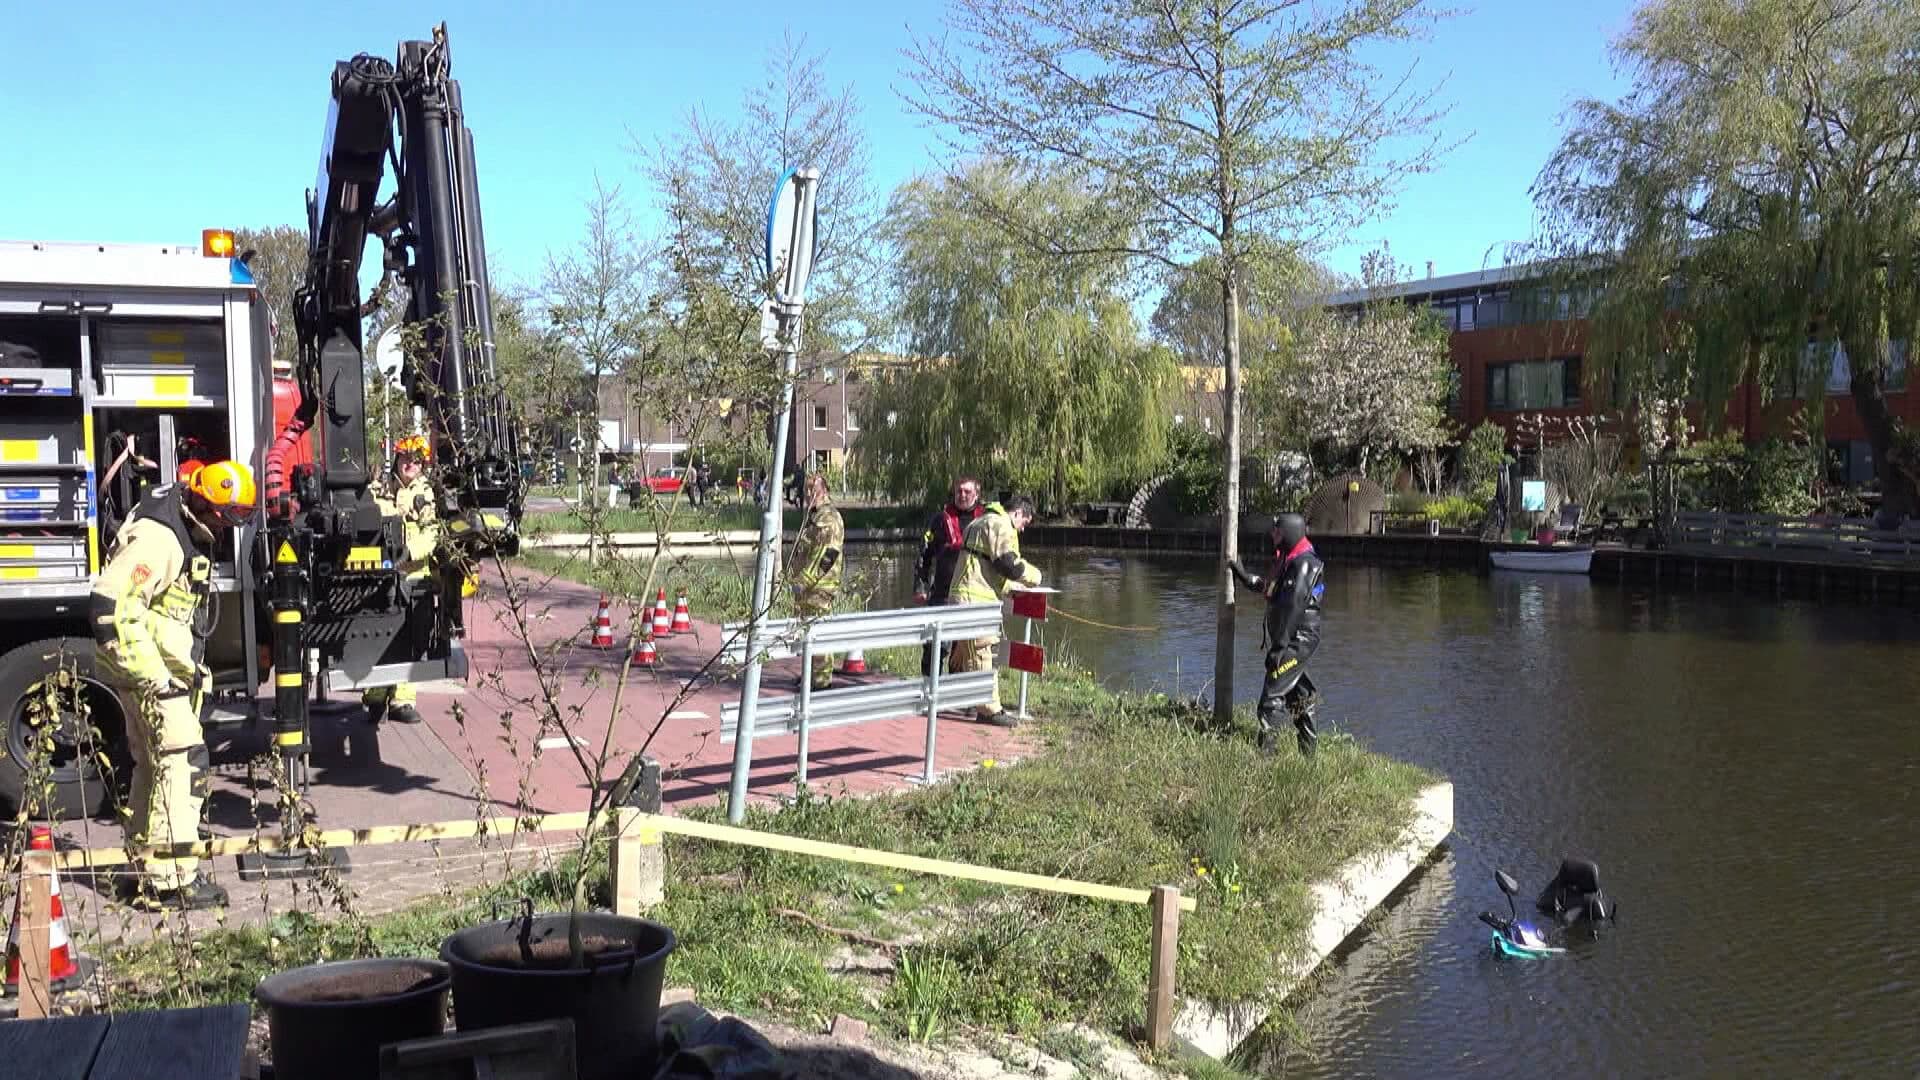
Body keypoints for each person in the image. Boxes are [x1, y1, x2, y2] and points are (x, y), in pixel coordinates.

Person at [91, 461, 257, 910]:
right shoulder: (161, 539)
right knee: (182, 766)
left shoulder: (180, 527)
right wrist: (155, 679)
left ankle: (143, 870)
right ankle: (172, 881)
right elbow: (110, 606)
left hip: (158, 675)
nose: (226, 527)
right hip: (153, 679)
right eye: (225, 516)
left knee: (152, 768)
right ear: (202, 500)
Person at [1230, 513, 1326, 757]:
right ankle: (1308, 759)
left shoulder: (1304, 563)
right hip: (1291, 639)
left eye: (1278, 532)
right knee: (1300, 696)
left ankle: (1266, 759)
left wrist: (1280, 649)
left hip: (1297, 640)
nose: (1273, 536)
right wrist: (1244, 576)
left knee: (1271, 696)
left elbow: (1294, 607)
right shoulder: (1289, 559)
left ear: (1290, 532)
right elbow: (1272, 589)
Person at [362, 435, 438, 724]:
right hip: (380, 574)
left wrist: (409, 552)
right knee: (377, 634)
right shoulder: (378, 488)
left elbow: (432, 532)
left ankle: (403, 701)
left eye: (416, 460)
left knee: (411, 638)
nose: (410, 464)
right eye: (406, 458)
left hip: (414, 575)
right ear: (396, 459)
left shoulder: (427, 493)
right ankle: (376, 698)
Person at [950, 494, 1043, 728]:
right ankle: (989, 710)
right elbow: (1007, 564)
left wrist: (1009, 588)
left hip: (965, 596)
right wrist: (1035, 576)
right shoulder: (1000, 524)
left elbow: (985, 565)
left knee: (965, 653)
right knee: (982, 652)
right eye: (1025, 523)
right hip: (975, 601)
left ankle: (967, 698)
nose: (1022, 530)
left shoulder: (980, 521)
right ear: (1018, 514)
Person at [911, 476, 985, 676]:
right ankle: (929, 692)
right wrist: (920, 586)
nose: (962, 495)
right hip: (942, 595)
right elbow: (923, 555)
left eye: (967, 492)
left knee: (963, 652)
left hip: (972, 597)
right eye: (958, 491)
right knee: (934, 648)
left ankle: (957, 696)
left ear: (976, 494)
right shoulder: (940, 520)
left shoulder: (985, 521)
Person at [787, 471, 845, 691]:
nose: (809, 493)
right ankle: (810, 676)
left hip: (820, 587)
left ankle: (821, 683)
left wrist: (804, 580)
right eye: (807, 489)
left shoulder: (829, 518)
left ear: (825, 490)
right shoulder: (814, 515)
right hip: (807, 588)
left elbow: (827, 556)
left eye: (814, 489)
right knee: (807, 634)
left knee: (819, 634)